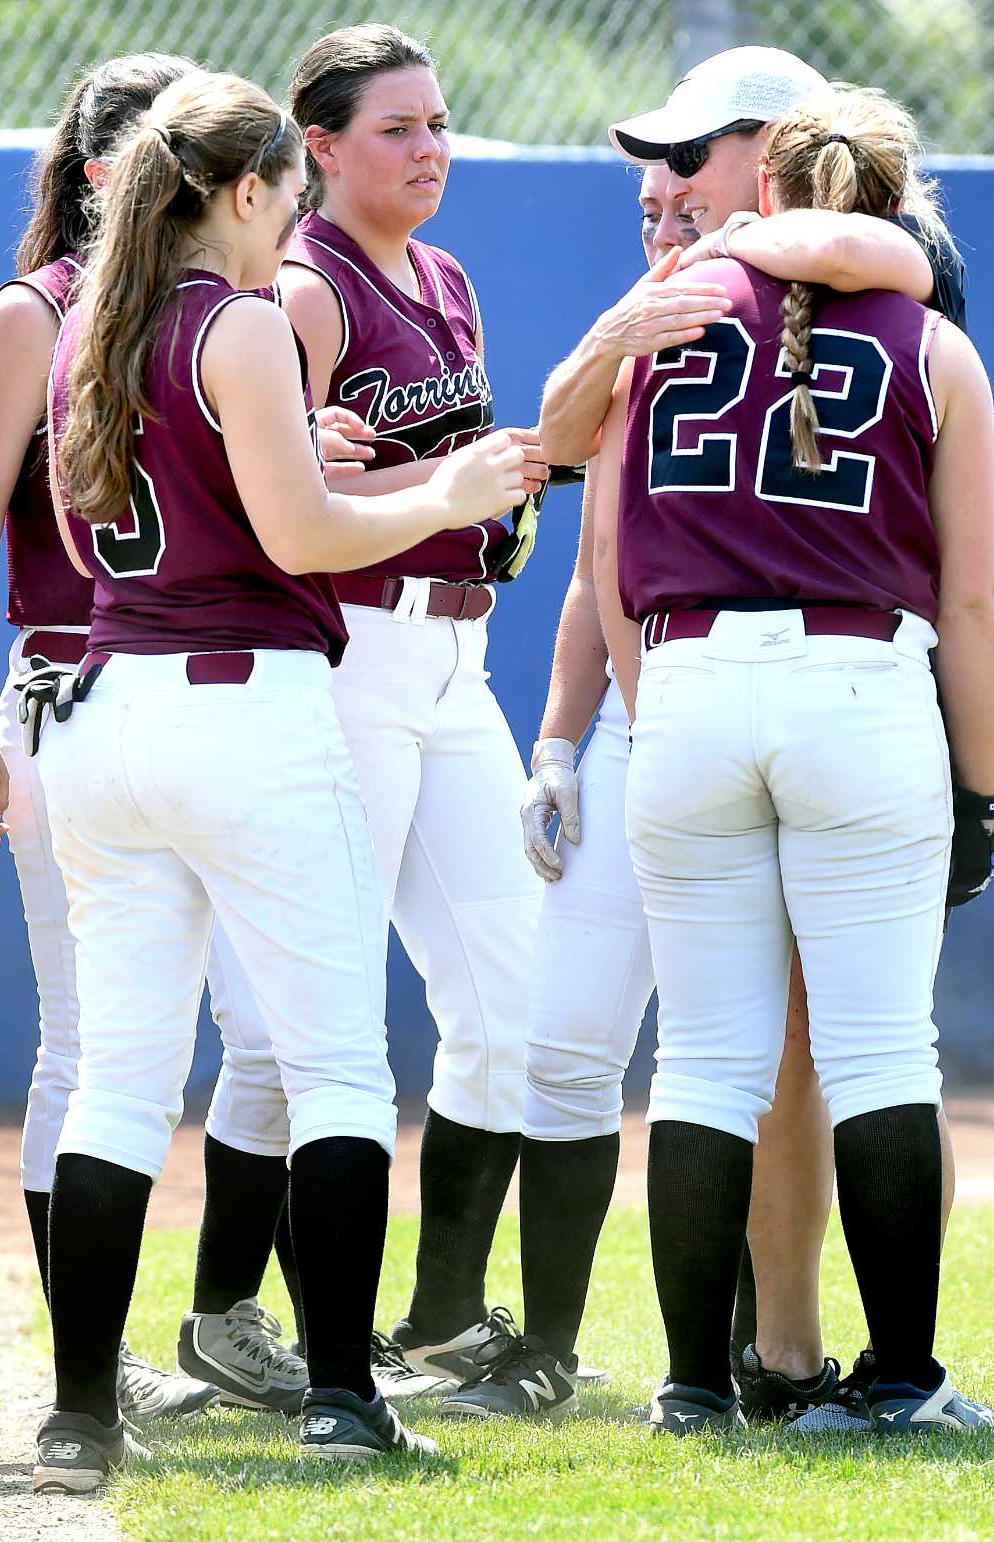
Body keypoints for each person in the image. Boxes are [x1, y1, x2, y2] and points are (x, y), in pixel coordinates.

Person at [32, 68, 542, 1491]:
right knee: (333, 1063)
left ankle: (78, 1415)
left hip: (109, 700)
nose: (289, 229)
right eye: (286, 200)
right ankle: (339, 1397)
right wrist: (449, 493)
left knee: (122, 1080)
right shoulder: (243, 317)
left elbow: (118, 527)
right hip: (243, 702)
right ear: (247, 190)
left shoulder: (90, 318)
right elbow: (309, 537)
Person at [518, 45, 972, 1426]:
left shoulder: (823, 273)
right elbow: (587, 507)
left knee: (738, 1051)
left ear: (773, 153)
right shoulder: (696, 290)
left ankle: (720, 1371)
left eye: (699, 150)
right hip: (825, 688)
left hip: (740, 683)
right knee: (853, 1047)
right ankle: (857, 1370)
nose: (666, 179)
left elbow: (595, 521)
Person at [186, 22, 545, 1400]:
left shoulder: (444, 274)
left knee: (507, 991)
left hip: (458, 666)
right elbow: (283, 504)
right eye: (396, 128)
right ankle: (226, 1314)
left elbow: (454, 465)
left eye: (439, 123)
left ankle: (444, 1319)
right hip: (350, 658)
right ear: (317, 149)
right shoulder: (306, 289)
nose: (430, 148)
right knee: (294, 1016)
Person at [0, 48, 246, 1426]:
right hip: (70, 678)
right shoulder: (36, 307)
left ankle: (224, 1323)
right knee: (90, 1037)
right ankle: (87, 1360)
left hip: (210, 691)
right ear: (111, 168)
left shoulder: (226, 304)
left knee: (247, 1033)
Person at [437, 161, 695, 1421]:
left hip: (754, 717)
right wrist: (556, 746)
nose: (661, 225)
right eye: (646, 206)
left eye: (683, 200)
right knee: (562, 1045)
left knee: (732, 1056)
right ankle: (544, 1348)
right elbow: (592, 560)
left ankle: (744, 1354)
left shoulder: (839, 308)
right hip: (639, 739)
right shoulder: (642, 328)